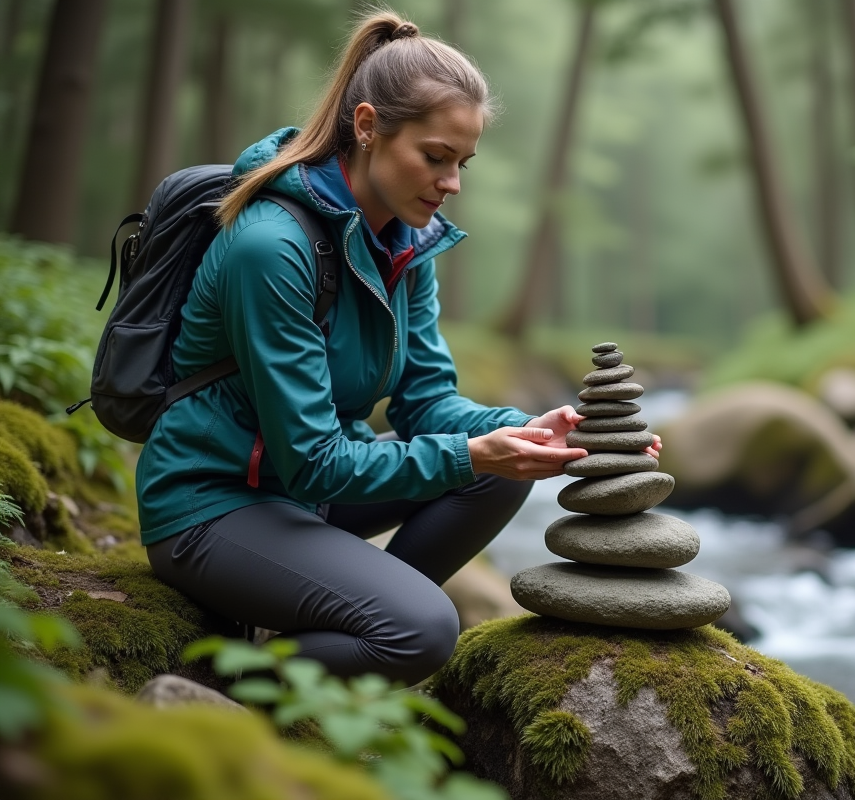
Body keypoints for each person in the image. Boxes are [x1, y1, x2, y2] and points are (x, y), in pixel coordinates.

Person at [138, 12, 658, 685]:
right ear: (366, 127)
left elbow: (427, 403)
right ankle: (227, 687)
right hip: (211, 505)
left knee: (498, 474)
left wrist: (536, 433)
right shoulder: (272, 248)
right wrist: (473, 451)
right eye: (435, 157)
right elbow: (316, 464)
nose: (452, 183)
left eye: (462, 163)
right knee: (424, 629)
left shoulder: (407, 244)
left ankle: (347, 624)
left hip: (300, 499)